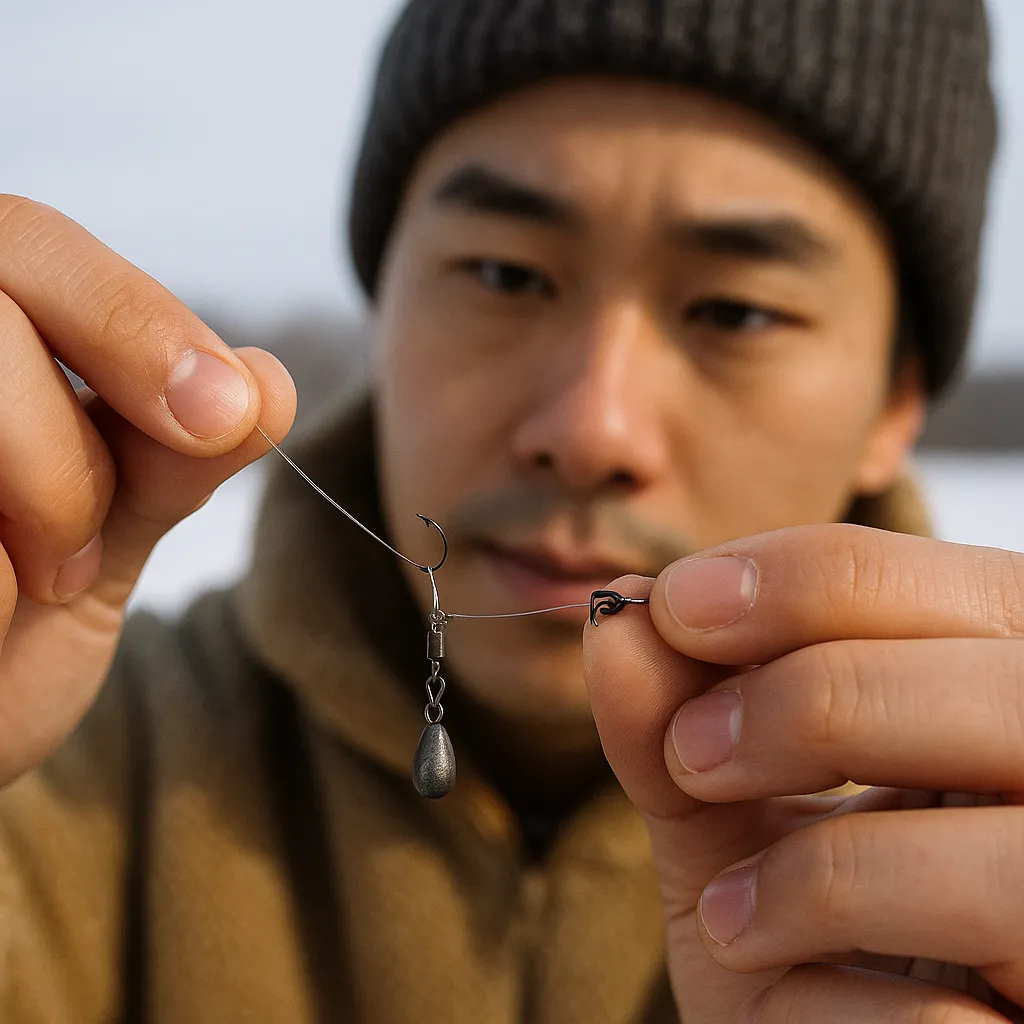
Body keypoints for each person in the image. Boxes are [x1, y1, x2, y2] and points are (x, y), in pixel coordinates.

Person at [0, 0, 1016, 1020]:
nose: (590, 428)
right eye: (504, 273)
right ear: (381, 304)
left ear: (896, 401)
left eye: (735, 311)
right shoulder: (58, 772)